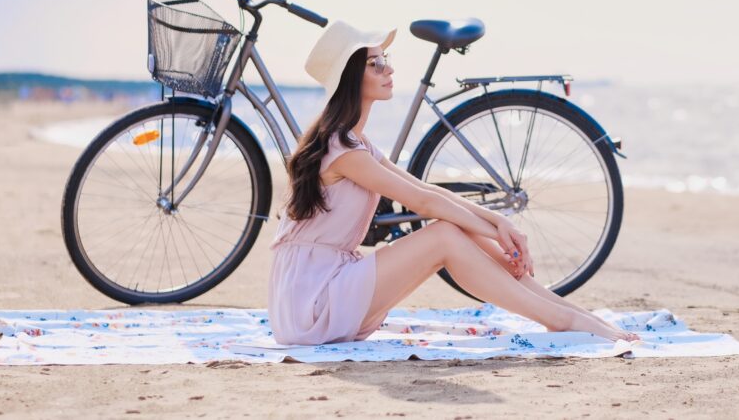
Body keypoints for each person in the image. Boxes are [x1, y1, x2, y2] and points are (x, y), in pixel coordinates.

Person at [267, 20, 641, 346]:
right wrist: (497, 233)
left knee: (455, 228)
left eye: (387, 60)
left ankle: (571, 314)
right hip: (311, 307)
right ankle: (562, 321)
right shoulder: (342, 148)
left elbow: (432, 191)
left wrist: (499, 224)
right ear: (351, 75)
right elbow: (423, 204)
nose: (387, 69)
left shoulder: (357, 143)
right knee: (445, 234)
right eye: (375, 62)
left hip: (331, 289)